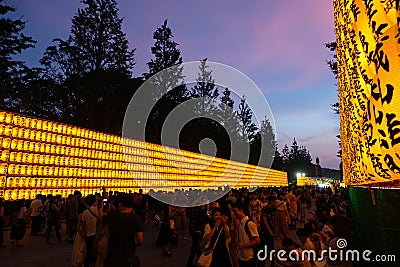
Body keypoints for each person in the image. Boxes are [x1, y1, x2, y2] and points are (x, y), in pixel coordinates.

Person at [103, 193, 143, 267]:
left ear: (120, 204)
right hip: (128, 254)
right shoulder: (136, 218)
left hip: (113, 254)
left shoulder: (112, 216)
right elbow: (140, 240)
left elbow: (106, 231)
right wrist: (133, 245)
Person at [233, 202, 260, 267]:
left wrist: (243, 245)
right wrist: (236, 227)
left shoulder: (249, 224)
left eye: (235, 211)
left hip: (249, 257)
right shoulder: (239, 223)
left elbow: (257, 240)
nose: (234, 213)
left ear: (241, 210)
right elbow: (236, 242)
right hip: (241, 256)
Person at [81, 194, 99, 267]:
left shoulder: (85, 213)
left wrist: (84, 235)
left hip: (88, 235)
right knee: (95, 254)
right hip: (96, 234)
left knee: (88, 253)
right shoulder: (97, 210)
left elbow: (83, 226)